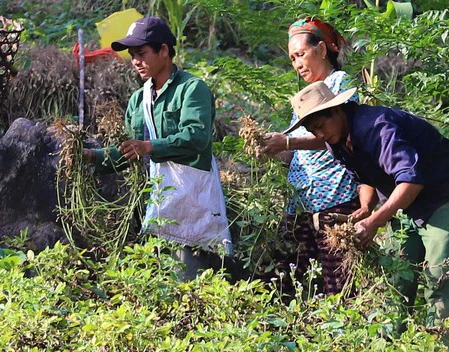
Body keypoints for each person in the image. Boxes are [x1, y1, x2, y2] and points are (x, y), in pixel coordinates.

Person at [287, 79, 449, 328]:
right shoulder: (337, 139)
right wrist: (366, 209)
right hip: (406, 201)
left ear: (337, 110)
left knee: (440, 278)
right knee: (397, 277)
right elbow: (367, 179)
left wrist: (375, 221)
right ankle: (390, 348)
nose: (320, 135)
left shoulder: (377, 128)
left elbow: (412, 181)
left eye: (321, 126)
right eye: (313, 132)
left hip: (442, 194)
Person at [93, 15, 230, 281]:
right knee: (156, 281)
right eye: (132, 55)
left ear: (164, 51)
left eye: (142, 53)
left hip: (190, 202)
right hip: (153, 203)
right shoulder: (138, 100)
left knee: (192, 280)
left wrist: (148, 146)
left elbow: (196, 137)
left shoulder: (192, 89)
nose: (136, 61)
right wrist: (91, 157)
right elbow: (131, 152)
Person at [254, 17, 374, 295]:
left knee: (338, 281)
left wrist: (286, 141)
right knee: (292, 277)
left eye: (301, 54)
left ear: (321, 50)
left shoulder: (339, 83)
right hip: (302, 203)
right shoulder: (306, 96)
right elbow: (300, 149)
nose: (296, 64)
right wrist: (272, 150)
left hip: (334, 197)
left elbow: (339, 136)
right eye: (292, 58)